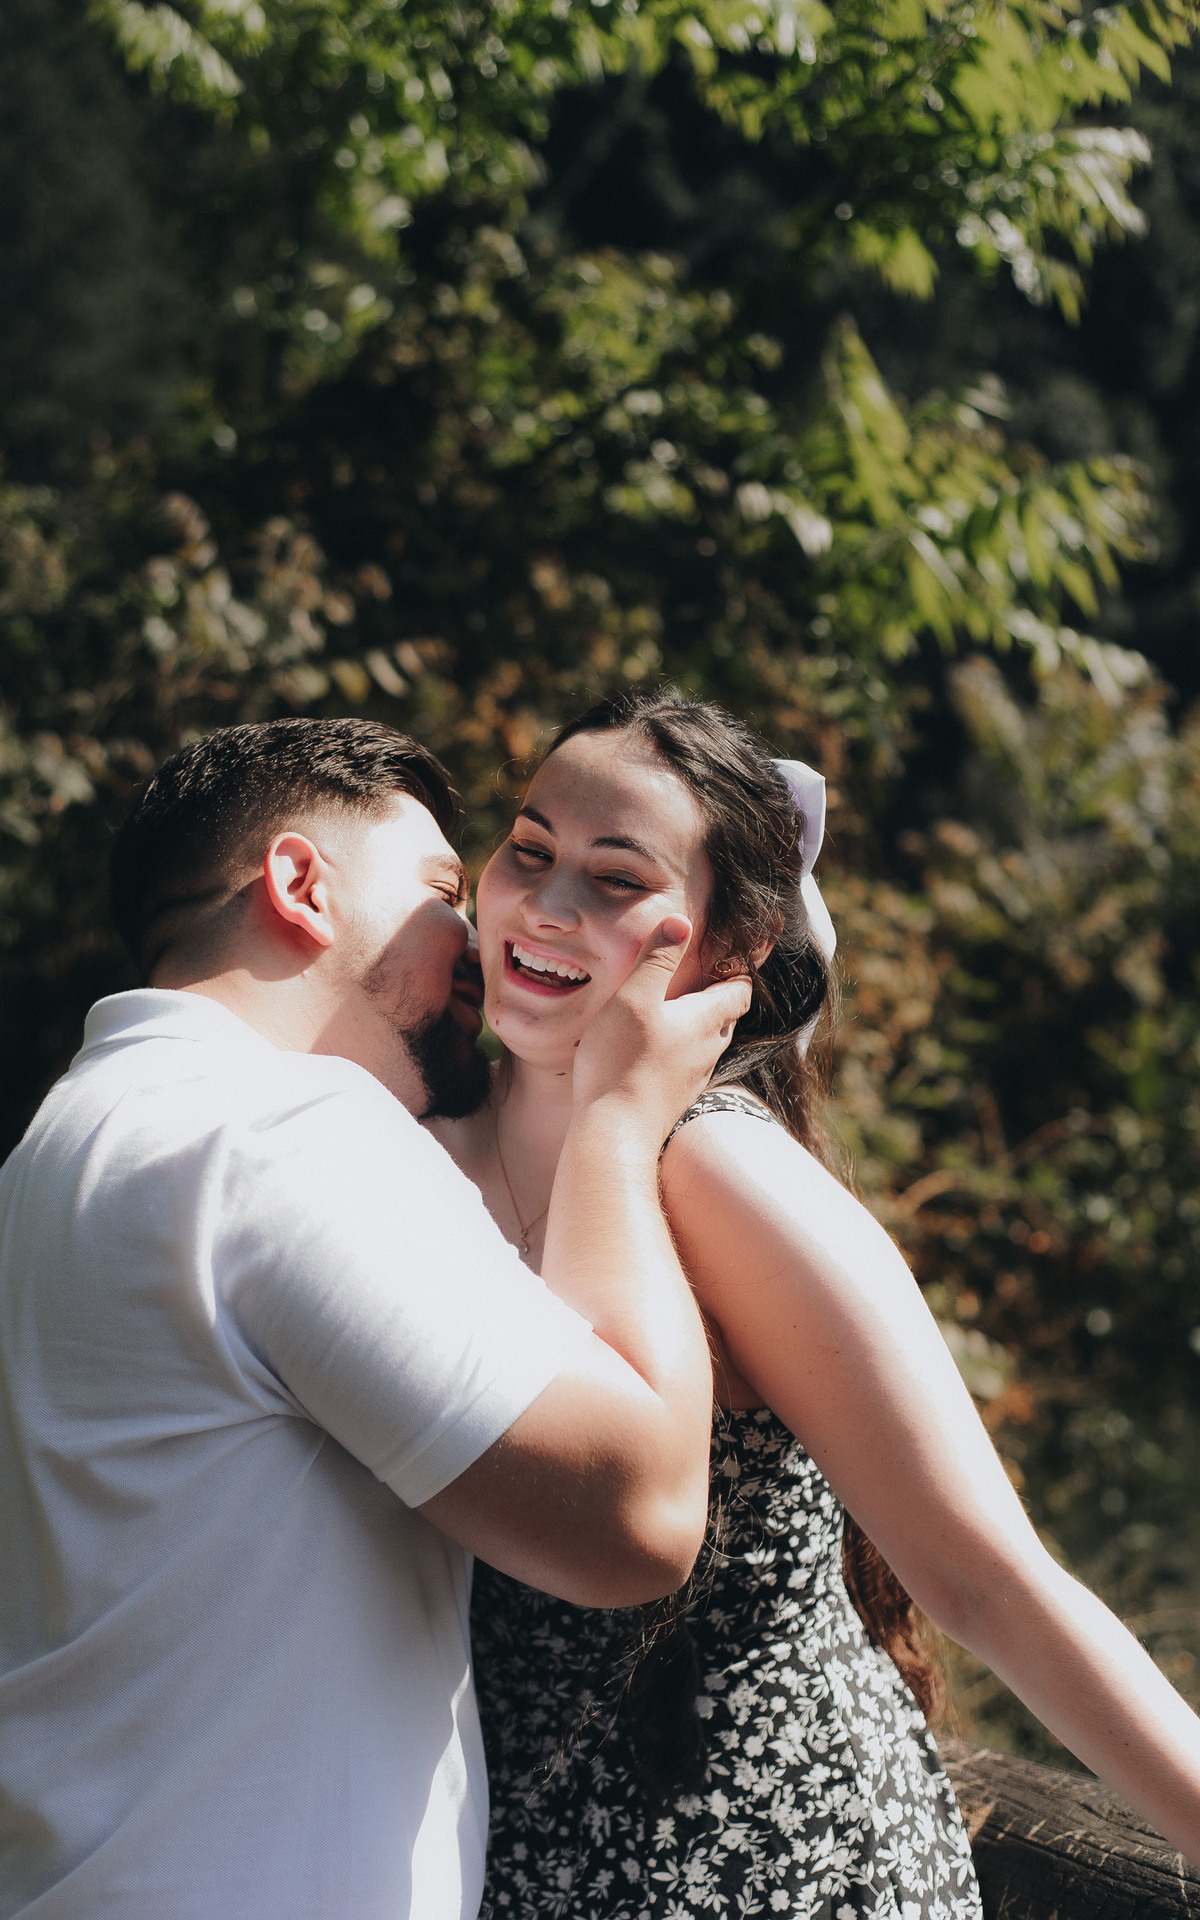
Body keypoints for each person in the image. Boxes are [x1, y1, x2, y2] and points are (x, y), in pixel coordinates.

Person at [432, 688, 1200, 1920]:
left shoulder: (718, 1172)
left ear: (733, 948)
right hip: (520, 1875)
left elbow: (989, 1583)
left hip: (788, 1866)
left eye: (617, 879)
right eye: (529, 850)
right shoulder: (419, 1148)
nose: (547, 904)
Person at [0, 716, 752, 1920]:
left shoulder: (52, 1155)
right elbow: (638, 1518)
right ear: (302, 885)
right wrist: (619, 1121)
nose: (479, 939)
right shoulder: (275, 1134)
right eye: (444, 892)